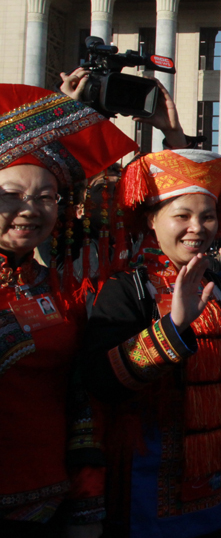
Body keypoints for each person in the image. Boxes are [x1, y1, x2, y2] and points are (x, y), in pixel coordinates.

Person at [80, 149, 221, 538]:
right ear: (152, 220)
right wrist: (173, 327)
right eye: (182, 216)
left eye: (207, 216)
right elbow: (102, 379)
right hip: (147, 485)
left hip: (217, 482)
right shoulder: (125, 289)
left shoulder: (219, 286)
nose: (197, 227)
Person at [0, 84, 138, 538]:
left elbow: (81, 402)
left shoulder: (55, 290)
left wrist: (86, 504)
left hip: (49, 503)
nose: (30, 210)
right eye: (12, 195)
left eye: (46, 197)